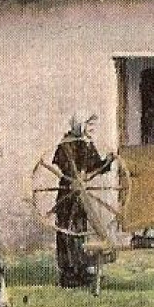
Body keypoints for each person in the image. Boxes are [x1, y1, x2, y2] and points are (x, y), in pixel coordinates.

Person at [53, 112, 118, 289]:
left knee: (80, 231)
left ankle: (82, 270)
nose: (91, 129)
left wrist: (107, 161)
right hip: (67, 197)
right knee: (67, 233)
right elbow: (68, 170)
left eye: (92, 126)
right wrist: (77, 177)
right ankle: (68, 275)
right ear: (79, 125)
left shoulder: (86, 145)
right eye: (88, 125)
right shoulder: (66, 146)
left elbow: (95, 167)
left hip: (79, 197)